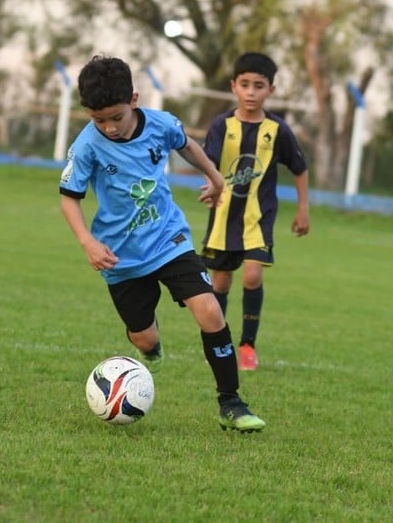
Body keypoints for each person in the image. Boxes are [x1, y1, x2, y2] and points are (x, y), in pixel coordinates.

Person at [58, 55, 265, 433]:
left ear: (134, 100)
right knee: (144, 336)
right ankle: (149, 349)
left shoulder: (161, 124)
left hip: (168, 238)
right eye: (97, 119)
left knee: (210, 313)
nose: (108, 127)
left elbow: (187, 146)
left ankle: (231, 403)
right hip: (119, 256)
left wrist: (216, 178)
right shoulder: (86, 146)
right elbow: (69, 197)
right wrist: (87, 242)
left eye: (115, 117)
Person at [200, 52, 310, 371]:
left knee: (251, 275)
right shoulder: (221, 125)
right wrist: (211, 185)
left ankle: (247, 345)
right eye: (245, 84)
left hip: (258, 217)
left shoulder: (278, 130)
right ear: (234, 86)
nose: (251, 92)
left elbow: (300, 169)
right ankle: (219, 343)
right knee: (220, 283)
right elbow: (207, 162)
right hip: (223, 216)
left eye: (258, 86)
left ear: (271, 90)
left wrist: (303, 210)